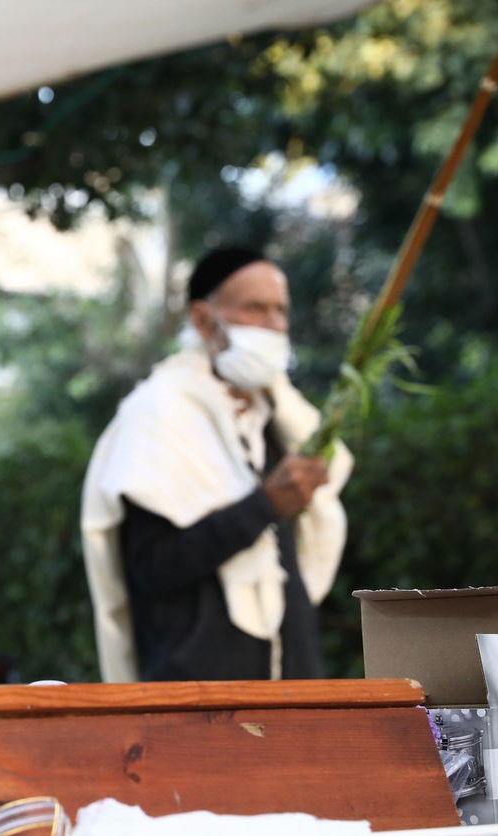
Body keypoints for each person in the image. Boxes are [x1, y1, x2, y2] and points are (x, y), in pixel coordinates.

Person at [81, 247, 351, 683]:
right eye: (255, 308)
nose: (274, 325)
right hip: (196, 696)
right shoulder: (158, 415)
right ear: (204, 319)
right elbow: (153, 568)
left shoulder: (284, 419)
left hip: (292, 688)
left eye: (281, 310)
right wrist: (264, 506)